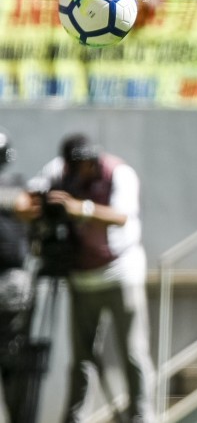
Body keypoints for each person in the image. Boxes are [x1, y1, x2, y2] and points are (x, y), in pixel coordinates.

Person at [14, 134, 156, 423]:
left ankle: (142, 416)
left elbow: (121, 217)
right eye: (75, 166)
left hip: (120, 274)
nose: (81, 171)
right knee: (81, 359)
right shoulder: (59, 169)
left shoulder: (119, 173)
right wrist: (38, 209)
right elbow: (26, 201)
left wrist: (81, 209)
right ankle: (75, 418)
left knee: (133, 353)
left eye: (85, 165)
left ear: (95, 159)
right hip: (81, 277)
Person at [0, 130, 30, 423]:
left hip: (10, 283)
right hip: (12, 283)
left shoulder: (18, 189)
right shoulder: (19, 191)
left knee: (13, 361)